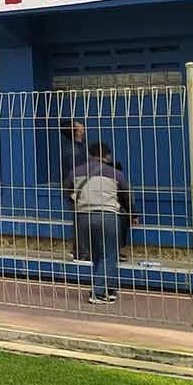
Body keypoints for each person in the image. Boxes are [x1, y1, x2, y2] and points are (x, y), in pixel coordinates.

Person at [67, 142, 132, 305]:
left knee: (97, 255)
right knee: (110, 255)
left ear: (89, 155)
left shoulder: (75, 172)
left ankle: (108, 288)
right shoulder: (116, 174)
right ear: (107, 156)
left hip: (83, 217)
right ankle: (98, 292)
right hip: (107, 215)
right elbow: (126, 196)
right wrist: (133, 214)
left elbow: (68, 192)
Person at [59, 118, 91, 261]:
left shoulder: (78, 147)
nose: (83, 126)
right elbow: (75, 172)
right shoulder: (74, 150)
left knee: (82, 219)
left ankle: (81, 250)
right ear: (76, 131)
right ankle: (81, 252)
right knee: (81, 220)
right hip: (78, 189)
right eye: (79, 125)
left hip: (79, 188)